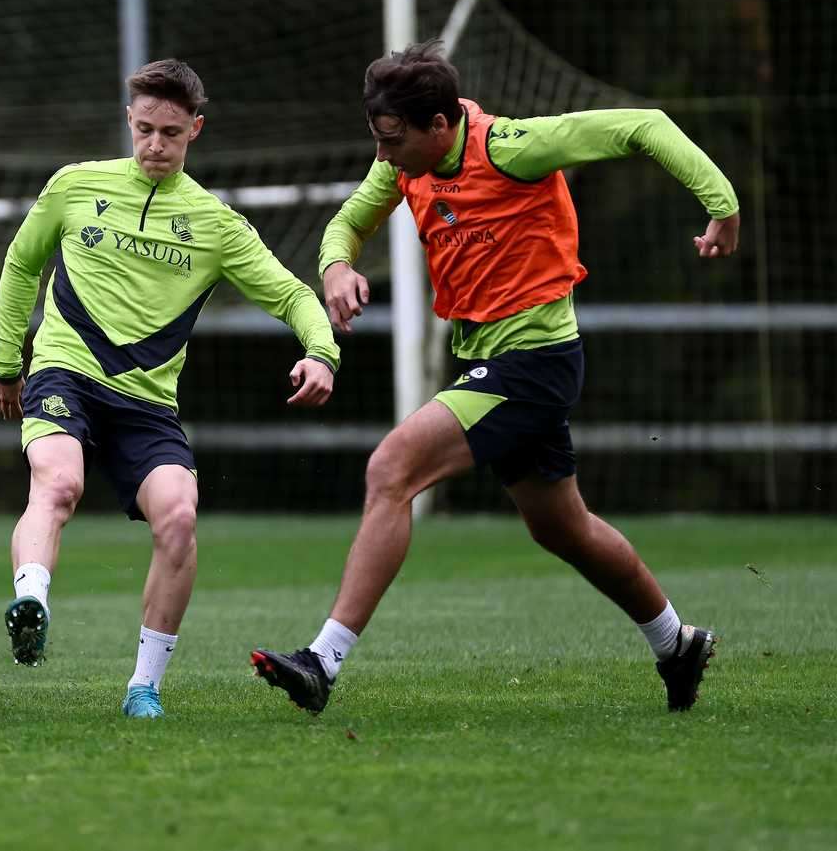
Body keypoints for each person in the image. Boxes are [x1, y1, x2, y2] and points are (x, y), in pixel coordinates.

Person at [251, 39, 736, 715]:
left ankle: (322, 661)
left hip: (533, 361)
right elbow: (348, 222)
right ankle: (676, 643)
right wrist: (336, 265)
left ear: (438, 125)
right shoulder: (405, 164)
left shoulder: (511, 148)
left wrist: (722, 205)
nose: (382, 156)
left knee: (391, 467)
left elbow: (643, 125)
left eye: (392, 140)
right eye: (378, 139)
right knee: (562, 527)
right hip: (495, 360)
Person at [0, 59, 340, 719]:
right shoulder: (75, 185)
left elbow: (292, 294)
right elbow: (22, 261)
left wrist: (322, 352)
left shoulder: (215, 224)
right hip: (65, 370)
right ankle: (31, 599)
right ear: (129, 119)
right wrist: (6, 360)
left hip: (147, 402)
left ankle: (144, 686)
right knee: (58, 482)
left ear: (194, 130)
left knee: (178, 516)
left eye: (170, 133)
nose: (154, 144)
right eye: (145, 128)